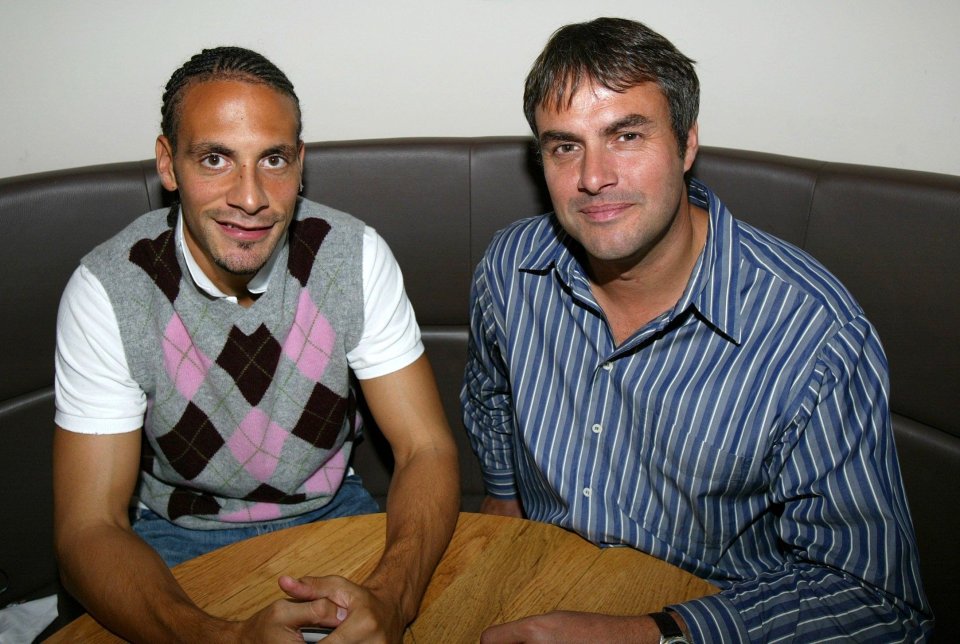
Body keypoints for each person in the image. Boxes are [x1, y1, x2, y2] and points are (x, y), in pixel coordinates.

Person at [462, 17, 932, 643]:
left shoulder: (814, 335)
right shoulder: (510, 268)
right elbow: (490, 389)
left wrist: (649, 633)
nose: (593, 177)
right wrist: (503, 494)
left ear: (686, 144)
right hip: (540, 583)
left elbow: (879, 605)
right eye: (564, 146)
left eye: (625, 135)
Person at [53, 46, 459, 643]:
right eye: (215, 158)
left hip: (332, 510)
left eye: (273, 159)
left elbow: (425, 447)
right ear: (167, 165)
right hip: (176, 536)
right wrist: (223, 640)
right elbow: (88, 526)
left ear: (301, 163)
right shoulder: (108, 289)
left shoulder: (353, 255)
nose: (250, 196)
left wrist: (392, 600)